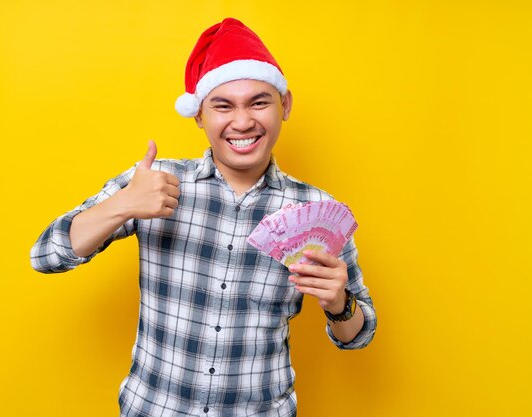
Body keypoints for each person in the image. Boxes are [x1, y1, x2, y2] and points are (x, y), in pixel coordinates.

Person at [31, 17, 376, 417]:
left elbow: (359, 335)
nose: (243, 122)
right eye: (223, 105)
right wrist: (122, 204)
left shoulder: (317, 212)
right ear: (199, 115)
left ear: (285, 105)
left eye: (259, 102)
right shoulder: (153, 183)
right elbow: (46, 256)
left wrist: (339, 303)